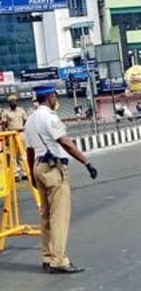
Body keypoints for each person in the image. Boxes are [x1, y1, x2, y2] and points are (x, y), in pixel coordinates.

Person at [24, 85, 98, 274]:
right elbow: (65, 142)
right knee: (59, 216)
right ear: (50, 97)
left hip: (38, 167)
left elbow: (29, 151)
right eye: (55, 97)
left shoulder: (30, 120)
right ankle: (59, 260)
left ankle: (47, 257)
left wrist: (32, 174)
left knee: (46, 215)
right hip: (53, 168)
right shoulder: (49, 117)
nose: (56, 100)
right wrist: (86, 162)